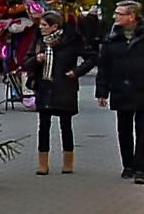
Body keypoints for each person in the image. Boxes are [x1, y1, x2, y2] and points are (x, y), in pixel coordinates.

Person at [98, 0, 144, 182]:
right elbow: (104, 66)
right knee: (123, 128)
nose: (115, 16)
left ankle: (141, 169)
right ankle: (127, 165)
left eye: (119, 13)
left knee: (142, 129)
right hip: (120, 88)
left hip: (143, 88)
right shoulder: (111, 39)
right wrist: (102, 91)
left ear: (132, 16)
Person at [23, 10, 93, 175]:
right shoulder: (39, 41)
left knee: (66, 126)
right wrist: (36, 59)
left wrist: (76, 72)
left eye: (44, 25)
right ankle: (43, 164)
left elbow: (91, 57)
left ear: (55, 26)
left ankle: (67, 162)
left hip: (64, 87)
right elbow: (26, 63)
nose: (41, 28)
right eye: (40, 25)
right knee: (43, 126)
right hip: (44, 87)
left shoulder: (72, 40)